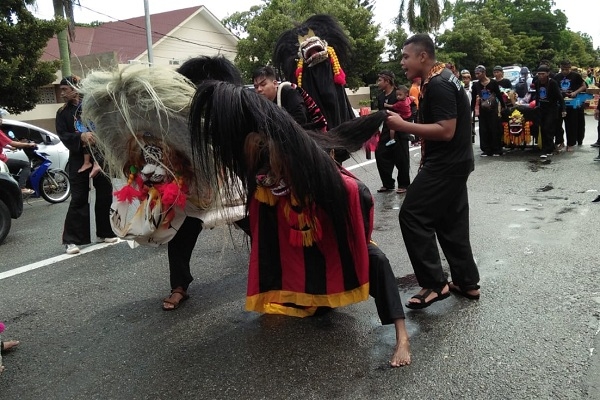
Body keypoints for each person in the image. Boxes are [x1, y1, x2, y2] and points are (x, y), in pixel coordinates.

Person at [188, 80, 411, 367]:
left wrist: (355, 237)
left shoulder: (323, 177)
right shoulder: (264, 187)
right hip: (299, 235)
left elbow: (361, 198)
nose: (265, 174)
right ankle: (309, 299)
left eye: (270, 166)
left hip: (327, 224)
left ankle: (402, 335)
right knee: (272, 248)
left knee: (375, 259)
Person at [386, 33, 481, 308]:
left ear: (423, 56)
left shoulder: (439, 84)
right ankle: (466, 282)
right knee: (451, 223)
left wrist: (403, 125)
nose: (402, 62)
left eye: (406, 56)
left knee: (412, 215)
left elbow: (445, 130)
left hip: (445, 164)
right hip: (456, 162)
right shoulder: (443, 78)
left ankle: (434, 284)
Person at [55, 75, 117, 255]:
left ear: (75, 88)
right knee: (79, 197)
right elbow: (62, 134)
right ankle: (71, 240)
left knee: (105, 194)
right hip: (77, 158)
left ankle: (105, 231)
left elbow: (106, 126)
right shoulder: (62, 112)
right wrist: (80, 137)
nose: (62, 93)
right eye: (61, 90)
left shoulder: (92, 106)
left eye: (65, 89)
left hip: (100, 156)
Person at [375, 71, 411, 194]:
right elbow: (380, 114)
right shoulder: (380, 97)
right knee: (380, 154)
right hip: (386, 130)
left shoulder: (399, 94)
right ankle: (388, 183)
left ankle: (404, 184)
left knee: (401, 158)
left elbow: (411, 109)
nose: (378, 83)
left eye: (380, 80)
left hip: (400, 130)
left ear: (387, 81)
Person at [472, 65, 506, 156]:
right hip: (483, 109)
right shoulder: (476, 85)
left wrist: (503, 106)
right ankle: (486, 149)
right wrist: (472, 110)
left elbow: (498, 94)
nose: (477, 75)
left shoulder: (493, 83)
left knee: (494, 128)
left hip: (493, 109)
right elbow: (473, 99)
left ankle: (497, 149)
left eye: (478, 73)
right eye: (475, 74)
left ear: (484, 73)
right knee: (483, 129)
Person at [552, 60, 587, 150]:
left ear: (570, 68)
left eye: (567, 69)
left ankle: (570, 143)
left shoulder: (576, 76)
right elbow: (554, 88)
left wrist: (575, 92)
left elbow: (583, 86)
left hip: (572, 102)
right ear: (560, 68)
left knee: (571, 124)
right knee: (558, 124)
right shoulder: (557, 77)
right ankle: (560, 142)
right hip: (560, 103)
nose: (565, 71)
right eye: (563, 69)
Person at [0, 112, 37, 194]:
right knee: (26, 164)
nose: (1, 120)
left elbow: (2, 143)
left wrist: (9, 147)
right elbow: (12, 142)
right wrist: (28, 144)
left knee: (14, 169)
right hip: (2, 160)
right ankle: (22, 187)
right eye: (0, 118)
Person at [534, 65, 566, 158]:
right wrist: (536, 105)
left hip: (552, 108)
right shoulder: (537, 82)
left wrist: (563, 109)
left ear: (548, 73)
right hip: (542, 108)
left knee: (549, 128)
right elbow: (537, 95)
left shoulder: (553, 83)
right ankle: (546, 147)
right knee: (542, 128)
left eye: (543, 74)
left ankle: (548, 149)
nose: (541, 76)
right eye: (539, 74)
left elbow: (559, 97)